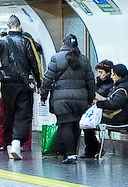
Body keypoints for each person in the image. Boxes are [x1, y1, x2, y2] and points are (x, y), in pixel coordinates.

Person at [40, 34, 96, 164]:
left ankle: (70, 154)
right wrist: (90, 98)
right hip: (80, 98)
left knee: (65, 125)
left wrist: (43, 95)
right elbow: (90, 81)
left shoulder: (56, 58)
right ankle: (73, 153)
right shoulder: (84, 60)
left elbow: (48, 79)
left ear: (63, 43)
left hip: (62, 99)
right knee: (76, 125)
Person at [0, 15, 42, 160]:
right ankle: (17, 142)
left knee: (9, 113)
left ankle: (9, 144)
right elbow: (34, 62)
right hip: (23, 83)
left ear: (8, 27)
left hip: (6, 83)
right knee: (23, 113)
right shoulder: (26, 41)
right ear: (19, 26)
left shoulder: (1, 42)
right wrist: (39, 82)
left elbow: (1, 58)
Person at [81, 59, 114, 158]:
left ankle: (93, 149)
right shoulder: (98, 82)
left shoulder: (111, 85)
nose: (99, 75)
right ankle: (93, 148)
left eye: (101, 72)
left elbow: (110, 99)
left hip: (105, 111)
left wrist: (97, 100)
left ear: (108, 73)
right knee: (86, 122)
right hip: (98, 109)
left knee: (88, 123)